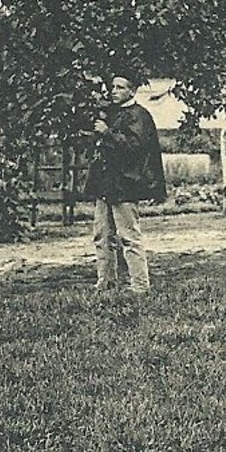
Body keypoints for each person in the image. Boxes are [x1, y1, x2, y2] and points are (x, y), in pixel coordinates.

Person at [85, 73, 167, 294]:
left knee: (129, 237)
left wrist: (107, 133)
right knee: (102, 236)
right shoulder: (112, 114)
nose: (114, 91)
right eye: (113, 87)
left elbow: (135, 148)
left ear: (132, 91)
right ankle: (106, 282)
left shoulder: (139, 116)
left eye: (120, 87)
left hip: (126, 185)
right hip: (107, 184)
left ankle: (140, 285)